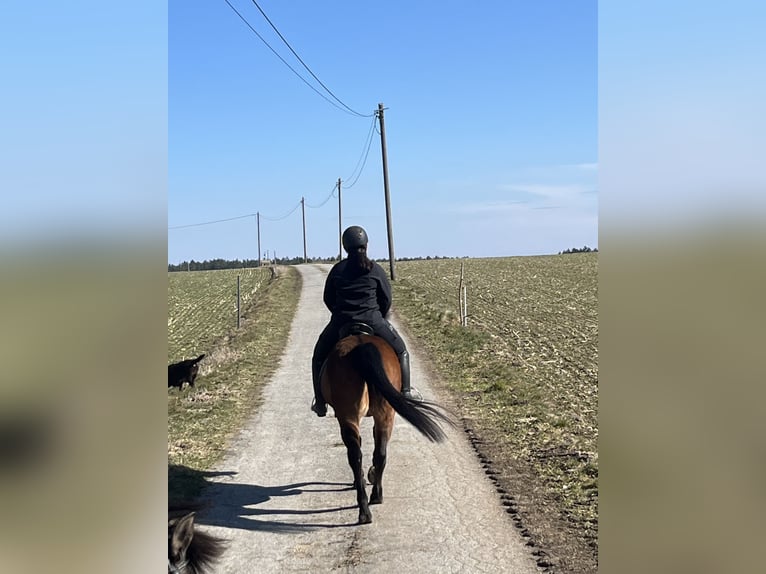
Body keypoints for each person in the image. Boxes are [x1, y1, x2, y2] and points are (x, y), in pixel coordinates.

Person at [311, 225, 413, 417]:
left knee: (318, 356)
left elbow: (328, 298)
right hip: (374, 321)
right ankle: (406, 392)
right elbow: (386, 299)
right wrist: (379, 316)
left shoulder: (337, 269)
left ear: (345, 247)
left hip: (342, 322)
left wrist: (339, 314)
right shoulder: (376, 270)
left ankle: (320, 402)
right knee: (402, 351)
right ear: (366, 245)